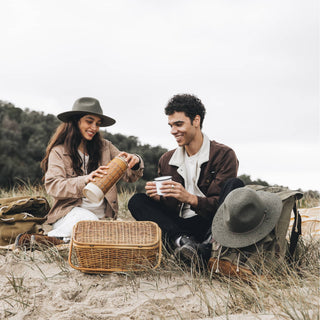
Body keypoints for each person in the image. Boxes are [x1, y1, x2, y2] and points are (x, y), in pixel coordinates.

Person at [128, 94, 242, 262]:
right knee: (137, 201)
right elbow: (168, 209)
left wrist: (190, 198)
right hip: (179, 226)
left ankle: (209, 246)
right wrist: (160, 198)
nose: (173, 131)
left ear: (196, 120)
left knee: (235, 185)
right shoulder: (166, 160)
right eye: (171, 125)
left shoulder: (223, 155)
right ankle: (183, 243)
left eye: (179, 124)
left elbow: (222, 205)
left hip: (210, 223)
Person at [40, 97, 144, 241]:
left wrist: (136, 161)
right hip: (70, 215)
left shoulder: (106, 147)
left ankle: (66, 239)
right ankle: (51, 239)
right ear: (76, 121)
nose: (94, 128)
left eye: (98, 124)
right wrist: (85, 180)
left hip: (105, 218)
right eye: (89, 121)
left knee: (126, 234)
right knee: (87, 222)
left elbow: (129, 176)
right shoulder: (58, 151)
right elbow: (53, 186)